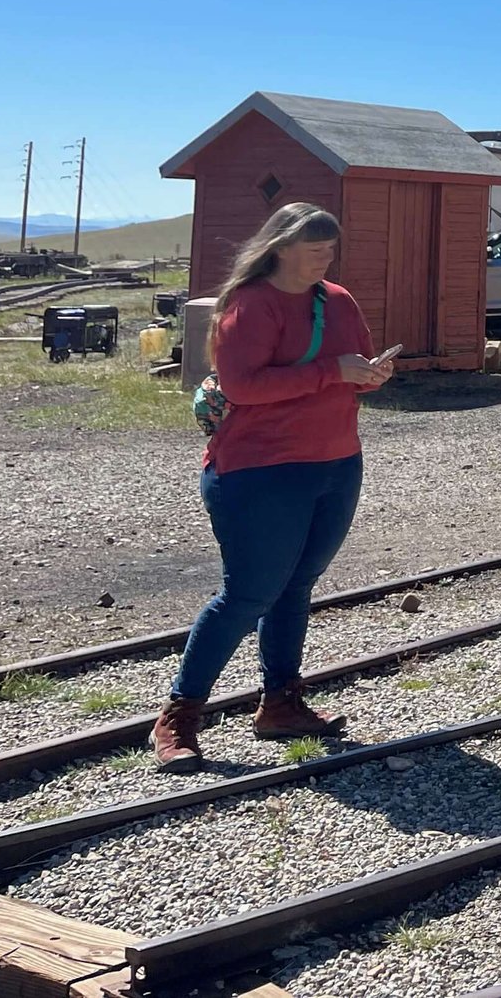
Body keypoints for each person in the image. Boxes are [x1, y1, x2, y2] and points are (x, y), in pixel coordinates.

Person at [151, 203, 399, 769]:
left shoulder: (337, 300)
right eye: (316, 250)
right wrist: (333, 371)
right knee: (248, 594)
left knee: (295, 587)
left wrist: (370, 374)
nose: (326, 259)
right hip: (258, 470)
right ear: (281, 247)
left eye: (330, 250)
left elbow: (349, 364)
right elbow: (243, 386)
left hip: (336, 464)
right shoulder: (250, 303)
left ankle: (280, 703)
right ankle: (178, 718)